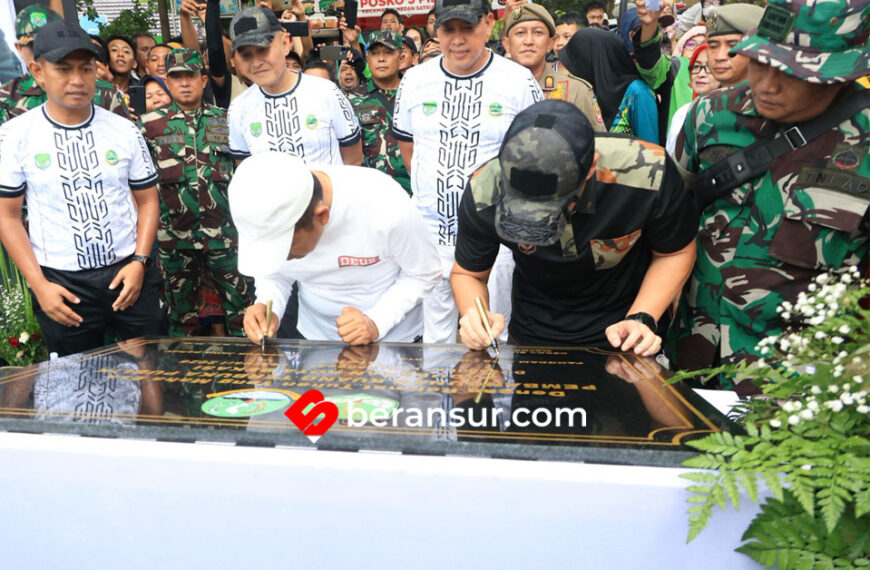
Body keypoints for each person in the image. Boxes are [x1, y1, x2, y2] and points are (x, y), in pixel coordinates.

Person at [669, 0, 869, 389]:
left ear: (841, 75)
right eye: (760, 61)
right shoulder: (710, 116)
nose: (766, 84)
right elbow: (668, 219)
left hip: (799, 383)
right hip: (692, 360)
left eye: (791, 73)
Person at [452, 100, 697, 353]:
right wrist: (475, 315)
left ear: (592, 166)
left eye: (553, 203)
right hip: (533, 331)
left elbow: (674, 252)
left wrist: (642, 317)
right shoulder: (485, 190)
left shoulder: (647, 174)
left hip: (625, 332)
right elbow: (468, 273)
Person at [0, 20, 162, 357]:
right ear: (38, 71)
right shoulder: (15, 136)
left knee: (149, 367)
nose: (77, 80)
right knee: (74, 380)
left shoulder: (124, 130)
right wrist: (40, 286)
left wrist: (140, 262)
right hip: (62, 282)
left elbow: (146, 201)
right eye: (63, 69)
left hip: (128, 272)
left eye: (86, 68)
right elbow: (8, 216)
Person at [391, 0, 543, 344]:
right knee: (433, 340)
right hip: (429, 235)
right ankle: (433, 399)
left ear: (489, 24)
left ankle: (497, 400)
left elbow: (535, 158)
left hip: (495, 239)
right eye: (448, 29)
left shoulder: (517, 81)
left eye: (468, 28)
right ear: (436, 30)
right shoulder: (414, 80)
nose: (457, 39)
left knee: (493, 336)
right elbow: (409, 149)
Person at [230, 152, 441, 345]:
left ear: (322, 216)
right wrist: (269, 308)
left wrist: (376, 322)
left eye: (287, 250)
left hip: (394, 340)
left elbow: (423, 273)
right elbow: (275, 275)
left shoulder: (383, 203)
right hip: (315, 339)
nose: (282, 259)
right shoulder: (266, 199)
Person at [142, 48, 253, 338]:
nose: (184, 83)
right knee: (181, 319)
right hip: (175, 239)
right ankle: (186, 382)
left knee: (241, 311)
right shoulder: (150, 126)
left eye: (190, 75)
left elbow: (243, 171)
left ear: (203, 79)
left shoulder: (226, 119)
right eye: (176, 77)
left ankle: (251, 376)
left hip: (225, 236)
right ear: (167, 81)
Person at [226, 7, 362, 165]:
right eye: (246, 55)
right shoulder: (239, 108)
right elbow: (246, 172)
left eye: (263, 49)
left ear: (285, 43)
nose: (256, 62)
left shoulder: (326, 92)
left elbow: (354, 159)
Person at [0, 6, 130, 125]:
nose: (42, 54)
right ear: (19, 49)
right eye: (33, 46)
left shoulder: (104, 93)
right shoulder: (5, 97)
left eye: (51, 46)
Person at [501, 4, 604, 131]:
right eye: (520, 33)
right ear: (506, 44)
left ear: (551, 43)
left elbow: (598, 143)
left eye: (538, 33)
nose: (528, 41)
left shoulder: (576, 91)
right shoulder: (492, 88)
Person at [559, 28, 659, 144]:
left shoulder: (639, 93)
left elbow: (651, 149)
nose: (571, 72)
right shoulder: (589, 91)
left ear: (594, 61)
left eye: (577, 64)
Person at [346, 31, 411, 195]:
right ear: (367, 58)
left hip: (414, 192)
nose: (381, 58)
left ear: (401, 57)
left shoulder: (415, 93)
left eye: (388, 52)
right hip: (371, 196)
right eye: (375, 53)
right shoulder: (352, 100)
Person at [665, 44, 718, 155]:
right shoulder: (683, 113)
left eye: (709, 67)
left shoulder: (731, 115)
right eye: (696, 66)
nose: (701, 74)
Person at [704, 3, 764, 87]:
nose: (719, 57)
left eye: (733, 45)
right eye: (713, 46)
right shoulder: (704, 99)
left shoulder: (771, 98)